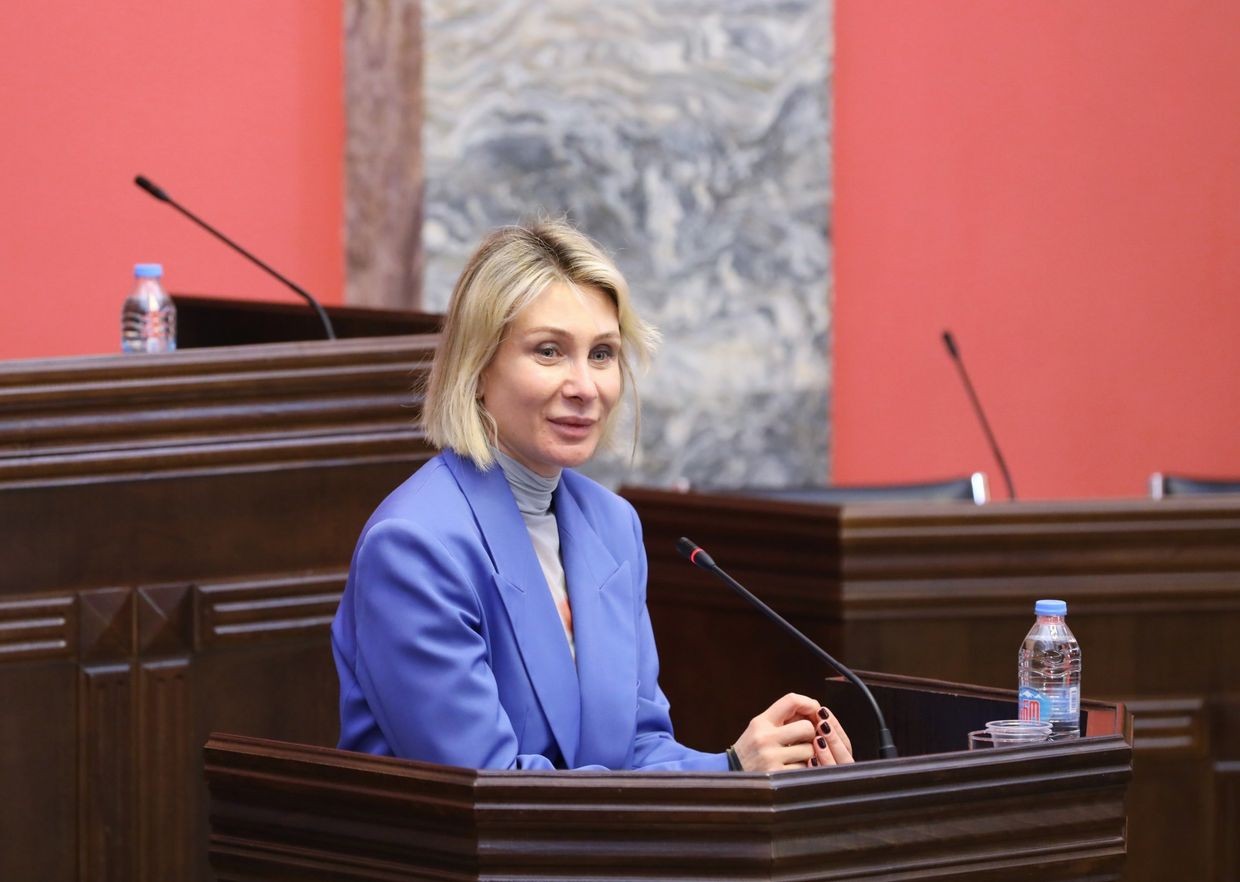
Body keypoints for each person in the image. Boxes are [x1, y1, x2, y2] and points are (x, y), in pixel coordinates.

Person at [331, 220, 853, 771]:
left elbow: (639, 748)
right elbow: (492, 790)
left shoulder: (612, 524)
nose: (584, 387)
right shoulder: (414, 546)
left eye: (602, 354)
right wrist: (730, 772)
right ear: (477, 368)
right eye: (549, 351)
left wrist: (768, 764)